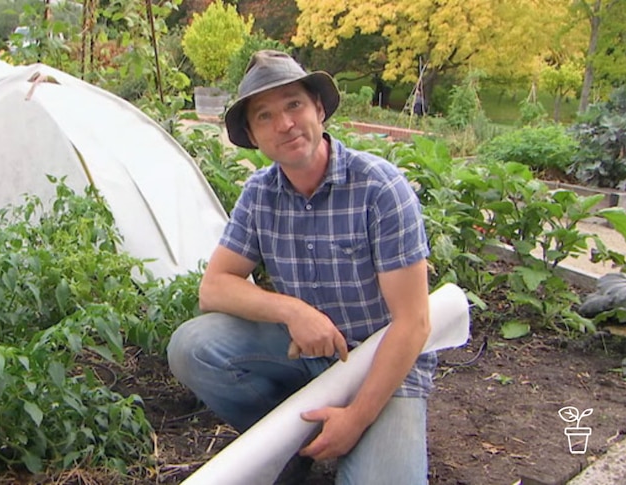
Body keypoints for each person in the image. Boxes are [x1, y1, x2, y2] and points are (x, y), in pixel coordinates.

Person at [167, 50, 435, 484]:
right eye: (265, 115)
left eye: (293, 105)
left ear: (319, 109)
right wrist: (294, 312)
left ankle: (351, 429)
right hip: (304, 355)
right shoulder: (259, 194)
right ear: (253, 135)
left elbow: (414, 322)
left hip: (381, 361)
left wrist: (356, 419)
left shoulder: (380, 188)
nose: (285, 124)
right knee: (193, 347)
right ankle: (293, 449)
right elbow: (214, 287)